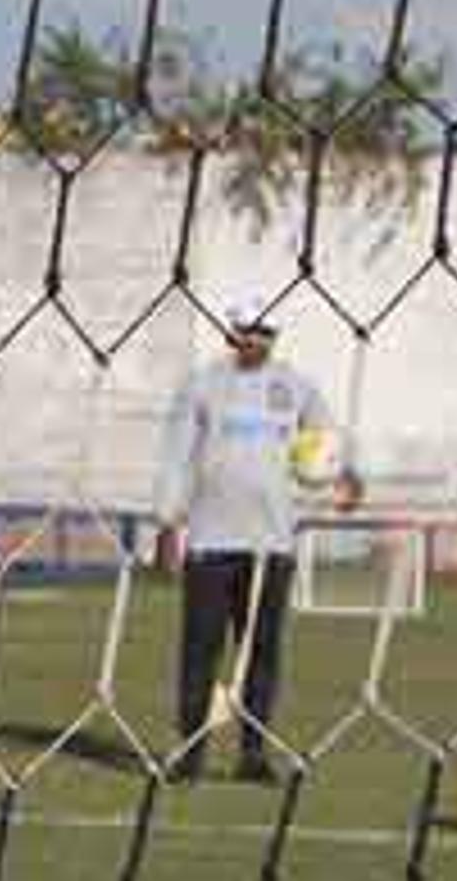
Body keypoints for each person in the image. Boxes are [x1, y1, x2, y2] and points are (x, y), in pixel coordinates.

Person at [154, 297, 360, 784]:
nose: (258, 340)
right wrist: (166, 520)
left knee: (262, 651)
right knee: (200, 650)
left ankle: (253, 754)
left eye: (266, 332)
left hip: (272, 545)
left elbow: (327, 441)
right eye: (249, 331)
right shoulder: (203, 386)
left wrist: (346, 475)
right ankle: (191, 752)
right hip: (209, 541)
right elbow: (175, 456)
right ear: (232, 332)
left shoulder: (296, 387)